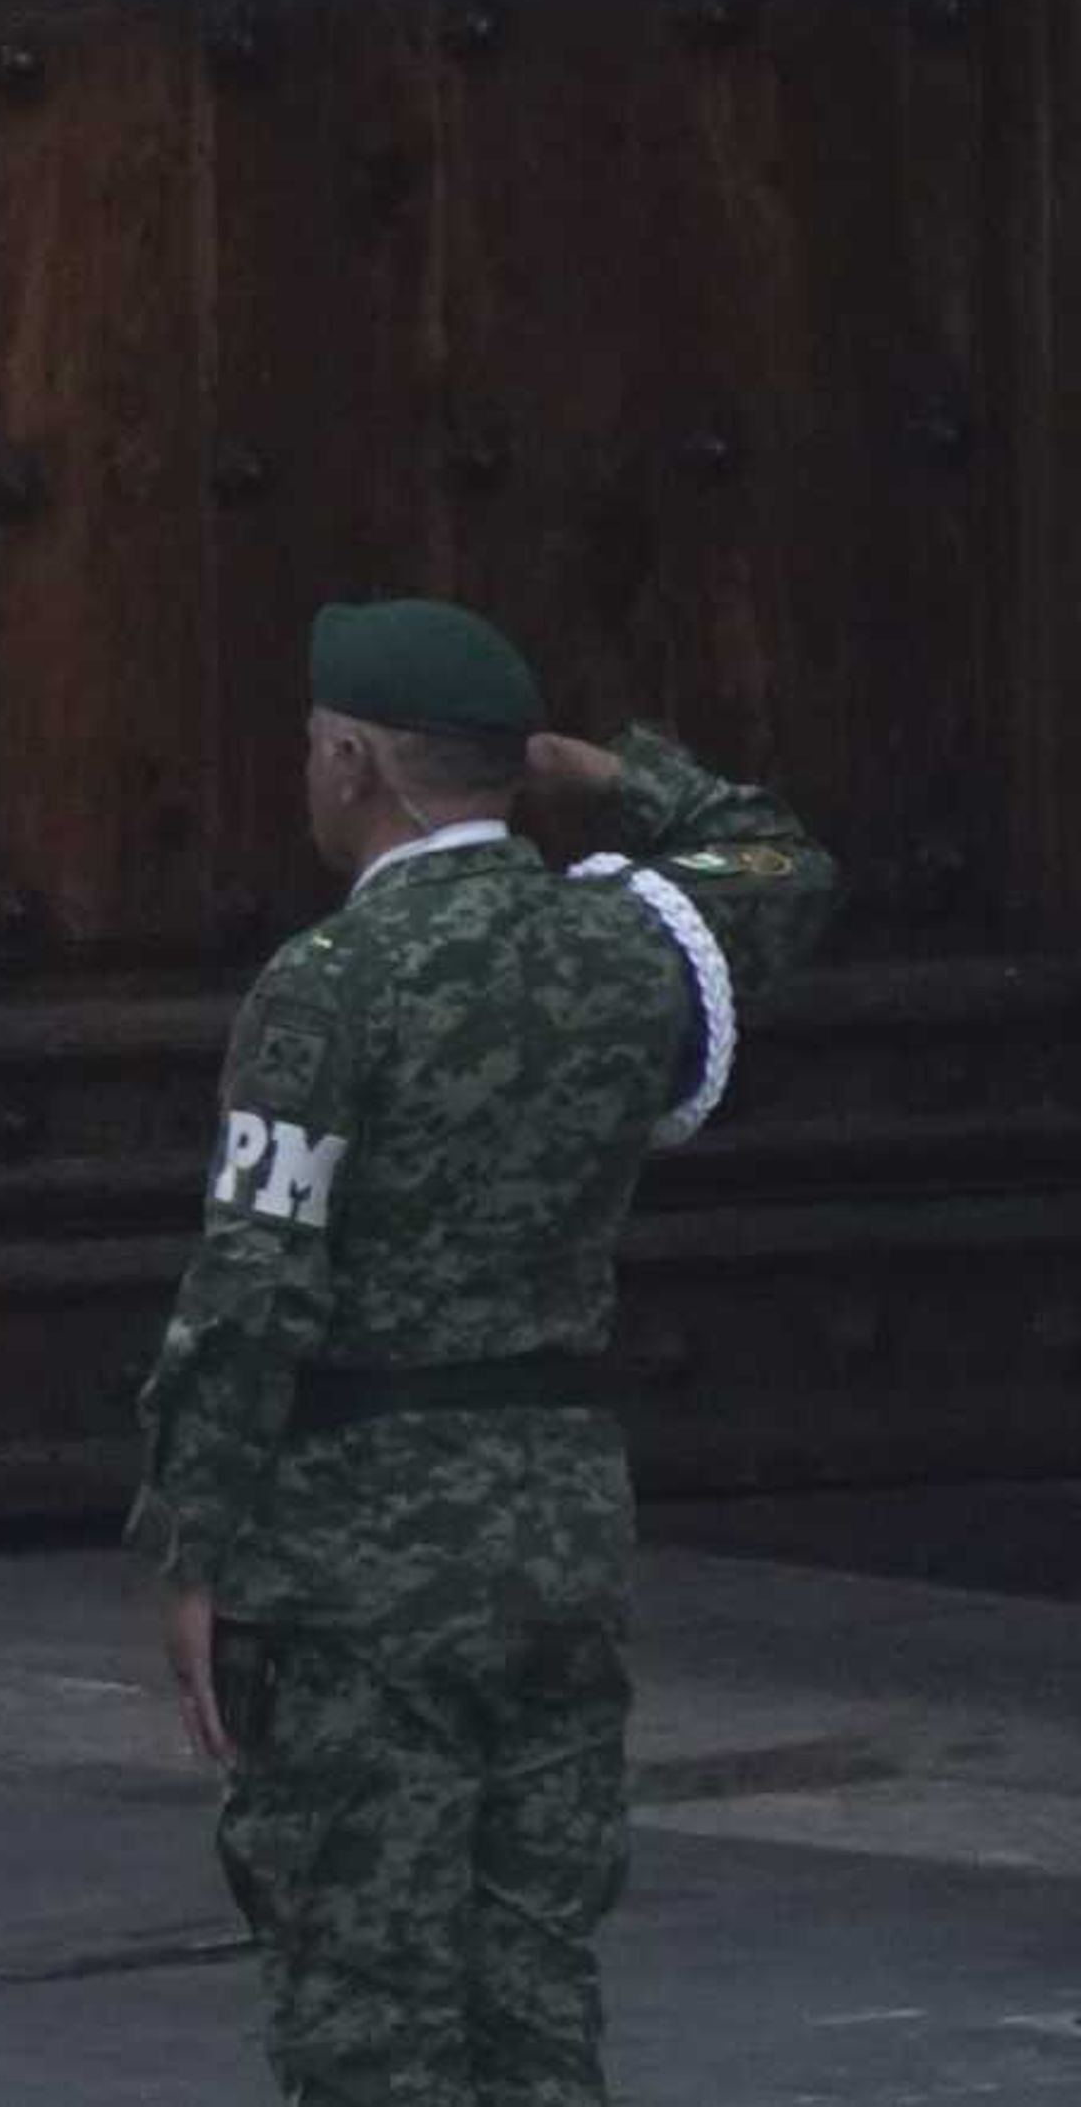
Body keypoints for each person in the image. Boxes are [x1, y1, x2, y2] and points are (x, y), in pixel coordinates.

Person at [132, 598, 839, 2107]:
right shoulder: (623, 948)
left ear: (353, 764)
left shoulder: (331, 983)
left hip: (355, 1566)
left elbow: (255, 1287)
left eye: (319, 748)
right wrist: (608, 773)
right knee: (533, 1969)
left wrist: (193, 1542)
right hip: (561, 1531)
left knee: (370, 1997)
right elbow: (781, 857)